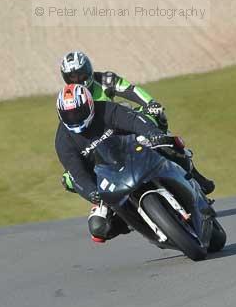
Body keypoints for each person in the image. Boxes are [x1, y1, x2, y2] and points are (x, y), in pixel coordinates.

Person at [59, 50, 215, 196]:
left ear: (88, 70)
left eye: (80, 74)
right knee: (69, 179)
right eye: (72, 77)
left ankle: (192, 173)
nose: (78, 79)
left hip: (122, 126)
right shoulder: (71, 102)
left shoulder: (105, 80)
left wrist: (150, 103)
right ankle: (104, 202)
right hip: (101, 143)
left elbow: (130, 90)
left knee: (156, 117)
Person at [55, 83, 184, 243]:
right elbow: (77, 173)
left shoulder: (105, 109)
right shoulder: (63, 141)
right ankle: (137, 224)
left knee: (167, 145)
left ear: (89, 105)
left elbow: (133, 120)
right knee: (98, 227)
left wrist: (152, 133)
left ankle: (191, 177)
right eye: (69, 115)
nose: (74, 117)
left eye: (78, 112)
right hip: (107, 177)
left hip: (132, 152)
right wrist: (92, 192)